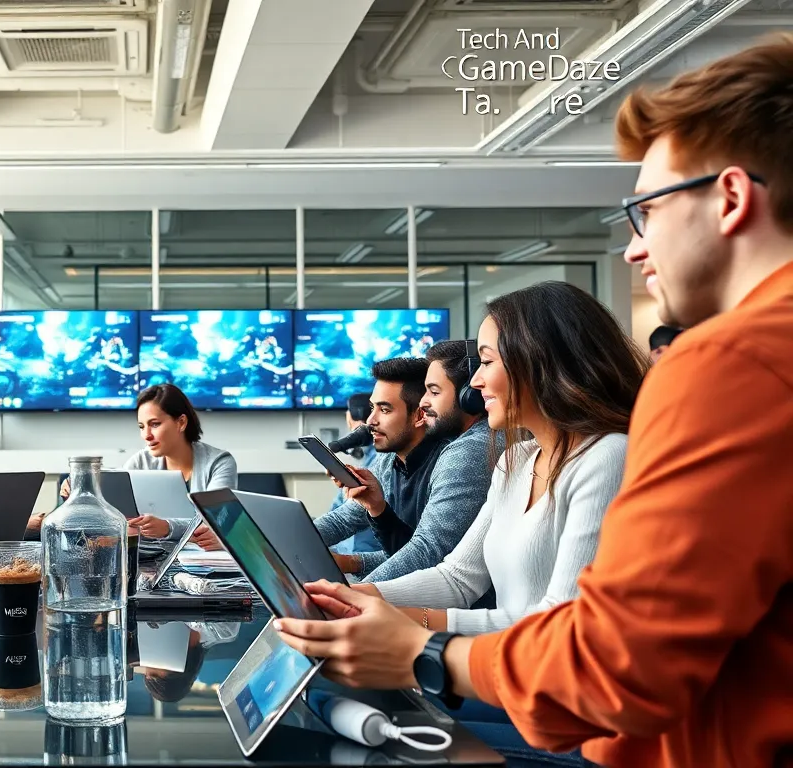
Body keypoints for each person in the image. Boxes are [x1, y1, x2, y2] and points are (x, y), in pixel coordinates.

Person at [274, 34, 793, 768]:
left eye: (646, 210)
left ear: (732, 198)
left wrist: (425, 656)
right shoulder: (523, 454)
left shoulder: (732, 366)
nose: (633, 249)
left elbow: (614, 665)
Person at [356, 282, 641, 639]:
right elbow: (457, 577)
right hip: (508, 668)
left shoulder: (608, 456)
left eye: (487, 362)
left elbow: (562, 621)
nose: (474, 382)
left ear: (539, 365)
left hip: (548, 680)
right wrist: (358, 596)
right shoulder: (515, 459)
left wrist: (416, 620)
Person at [314, 356, 489, 583]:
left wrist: (350, 597)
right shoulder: (389, 461)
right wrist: (273, 542)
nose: (370, 421)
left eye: (384, 410)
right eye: (372, 408)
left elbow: (428, 555)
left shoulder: (455, 460)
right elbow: (342, 522)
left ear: (419, 415)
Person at [45, 383, 236, 548]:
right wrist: (82, 488)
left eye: (154, 424)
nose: (146, 436)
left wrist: (167, 527)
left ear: (181, 422)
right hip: (152, 558)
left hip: (202, 560)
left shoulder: (219, 462)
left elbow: (214, 525)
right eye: (141, 427)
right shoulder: (140, 461)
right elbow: (114, 509)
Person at [330, 392, 381, 555]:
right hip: (347, 553)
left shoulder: (380, 463)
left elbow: (342, 517)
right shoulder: (369, 460)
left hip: (360, 557)